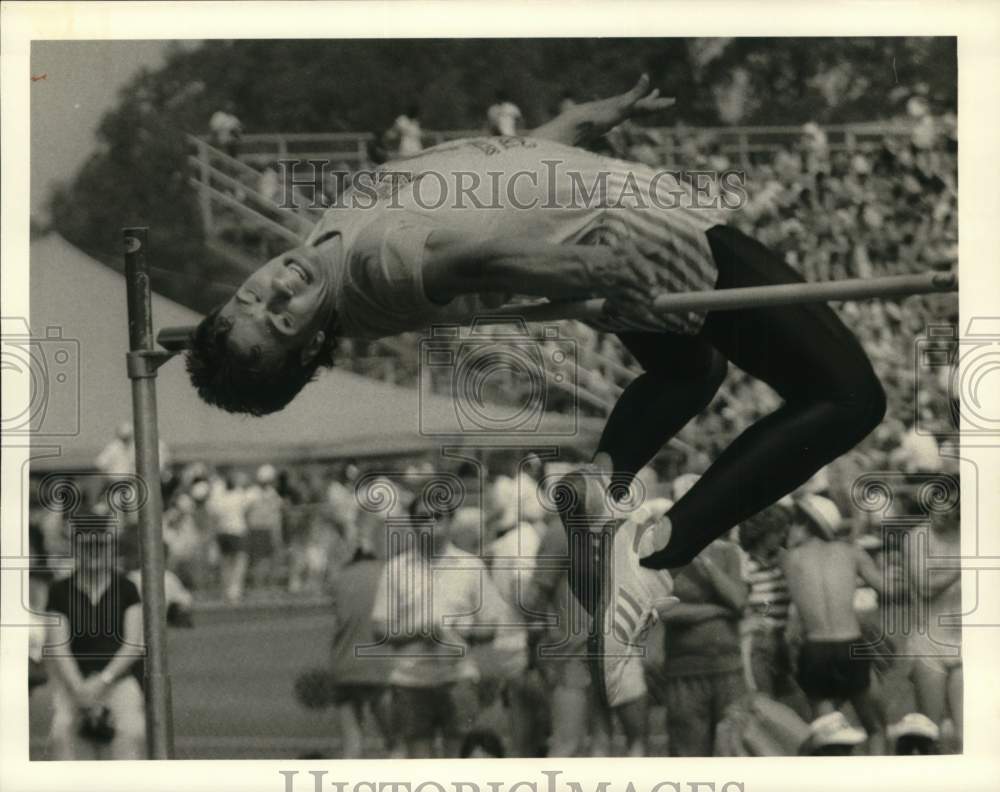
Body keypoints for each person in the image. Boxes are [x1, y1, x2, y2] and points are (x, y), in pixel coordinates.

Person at [184, 74, 887, 708]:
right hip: (642, 232)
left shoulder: (327, 235)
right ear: (306, 346)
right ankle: (659, 555)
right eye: (279, 321)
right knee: (850, 397)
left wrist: (568, 131)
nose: (276, 287)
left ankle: (603, 480)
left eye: (252, 296)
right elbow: (468, 258)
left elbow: (478, 180)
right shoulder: (372, 269)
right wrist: (582, 269)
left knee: (690, 371)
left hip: (607, 222)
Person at [370, 493, 506, 758]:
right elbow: (380, 628)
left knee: (457, 765)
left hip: (458, 679)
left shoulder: (471, 567)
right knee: (422, 770)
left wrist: (462, 632)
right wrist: (419, 632)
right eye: (421, 518)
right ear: (412, 523)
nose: (430, 523)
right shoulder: (396, 570)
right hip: (411, 682)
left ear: (450, 520)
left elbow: (491, 627)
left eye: (438, 516)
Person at [781, 494, 888, 754]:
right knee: (875, 729)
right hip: (850, 644)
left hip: (815, 649)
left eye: (794, 523)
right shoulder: (851, 552)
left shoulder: (789, 559)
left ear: (805, 525)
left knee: (827, 736)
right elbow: (886, 588)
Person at [657, 486, 749, 756]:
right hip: (685, 670)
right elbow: (665, 611)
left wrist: (705, 561)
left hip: (727, 668)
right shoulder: (666, 557)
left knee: (732, 752)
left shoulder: (729, 553)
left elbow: (738, 601)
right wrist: (716, 611)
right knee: (688, 754)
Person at [43, 522, 146, 759]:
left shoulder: (127, 588)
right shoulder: (59, 591)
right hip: (74, 682)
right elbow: (59, 648)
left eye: (100, 546)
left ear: (111, 550)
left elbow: (132, 646)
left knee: (131, 730)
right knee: (60, 732)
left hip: (117, 680)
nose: (94, 553)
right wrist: (80, 690)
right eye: (87, 547)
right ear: (76, 550)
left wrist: (103, 682)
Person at [327, 536, 396, 758]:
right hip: (379, 665)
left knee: (351, 744)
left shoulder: (341, 579)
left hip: (345, 665)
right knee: (396, 742)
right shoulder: (386, 574)